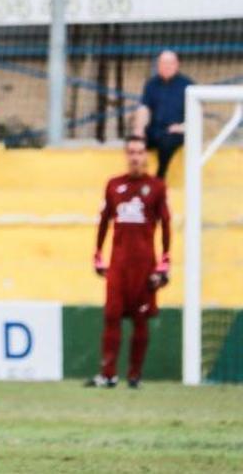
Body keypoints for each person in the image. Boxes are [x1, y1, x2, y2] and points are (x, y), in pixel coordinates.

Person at [88, 136, 171, 389]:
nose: (135, 157)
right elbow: (104, 222)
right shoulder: (113, 185)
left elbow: (166, 225)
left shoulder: (157, 187)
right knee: (111, 316)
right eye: (131, 152)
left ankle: (134, 376)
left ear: (146, 156)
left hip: (145, 265)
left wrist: (164, 262)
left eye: (140, 152)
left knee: (140, 320)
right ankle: (108, 374)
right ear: (126, 155)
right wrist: (97, 253)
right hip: (118, 265)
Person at [131, 50, 193, 180]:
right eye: (163, 63)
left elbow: (196, 113)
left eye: (170, 63)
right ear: (158, 65)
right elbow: (144, 108)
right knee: (135, 142)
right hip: (154, 130)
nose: (167, 66)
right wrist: (139, 129)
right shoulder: (151, 84)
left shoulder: (188, 85)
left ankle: (160, 177)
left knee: (166, 144)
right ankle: (137, 176)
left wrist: (182, 127)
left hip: (176, 132)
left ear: (177, 64)